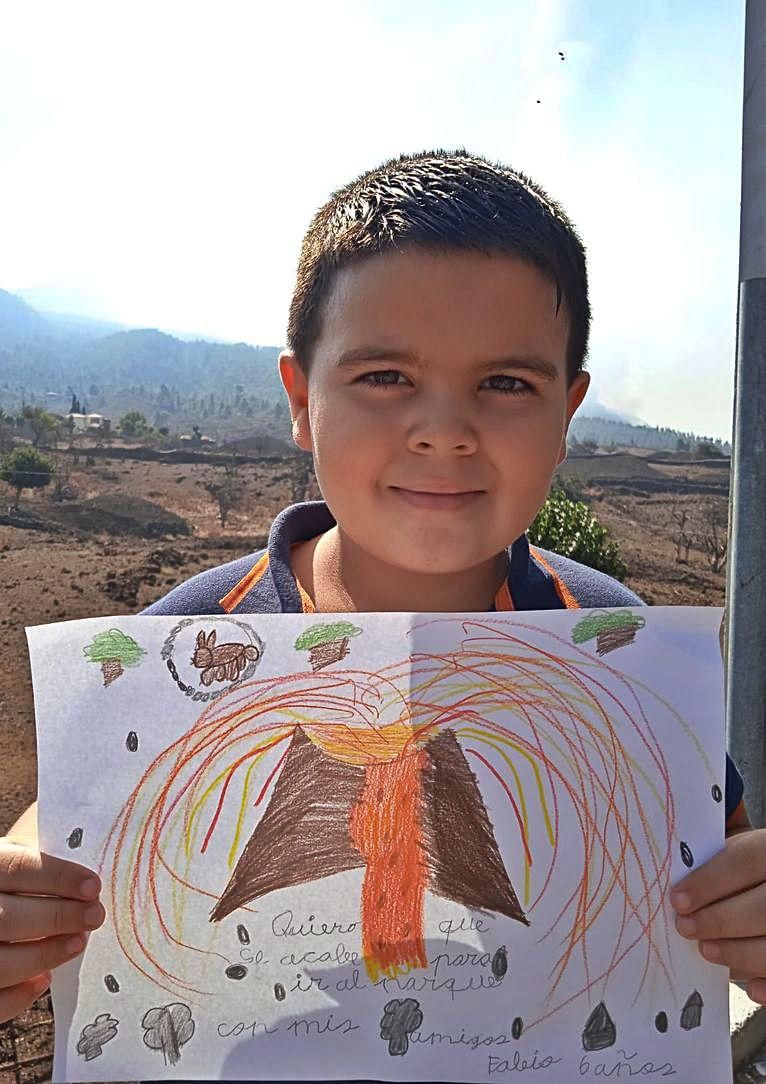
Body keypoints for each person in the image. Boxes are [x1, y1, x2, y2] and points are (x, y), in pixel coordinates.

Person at [2, 151, 765, 1048]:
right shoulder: (179, 652)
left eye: (508, 384)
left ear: (569, 413)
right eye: (384, 377)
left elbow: (715, 870)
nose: (443, 431)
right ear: (300, 398)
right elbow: (58, 847)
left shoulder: (620, 652)